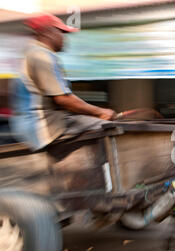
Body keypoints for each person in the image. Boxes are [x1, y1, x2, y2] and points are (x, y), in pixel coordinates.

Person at [9, 13, 117, 151]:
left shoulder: (30, 52)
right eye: (61, 32)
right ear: (48, 32)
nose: (64, 38)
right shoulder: (42, 56)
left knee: (89, 120)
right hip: (42, 127)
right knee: (106, 127)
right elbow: (64, 100)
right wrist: (100, 111)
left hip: (27, 125)